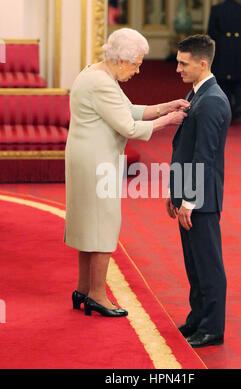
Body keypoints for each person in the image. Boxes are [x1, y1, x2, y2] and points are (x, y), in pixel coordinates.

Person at [65, 28, 189, 318]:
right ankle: (96, 295)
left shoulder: (98, 73)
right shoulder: (103, 82)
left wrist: (165, 107)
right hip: (96, 161)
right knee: (103, 224)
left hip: (87, 157)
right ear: (122, 60)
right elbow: (129, 127)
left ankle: (83, 288)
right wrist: (169, 120)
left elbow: (129, 110)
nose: (138, 70)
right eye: (136, 64)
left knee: (88, 223)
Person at [166, 35, 231, 347]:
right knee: (194, 263)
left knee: (208, 264)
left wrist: (189, 200)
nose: (177, 68)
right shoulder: (197, 94)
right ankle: (197, 319)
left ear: (202, 63)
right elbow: (184, 149)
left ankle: (212, 328)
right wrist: (174, 193)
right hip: (190, 195)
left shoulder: (212, 101)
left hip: (201, 200)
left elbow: (203, 157)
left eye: (183, 62)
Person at [208, 0, 241, 123]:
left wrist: (222, 41)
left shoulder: (216, 9)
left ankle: (224, 112)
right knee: (238, 82)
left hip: (222, 50)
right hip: (239, 50)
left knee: (223, 83)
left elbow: (211, 31)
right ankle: (237, 110)